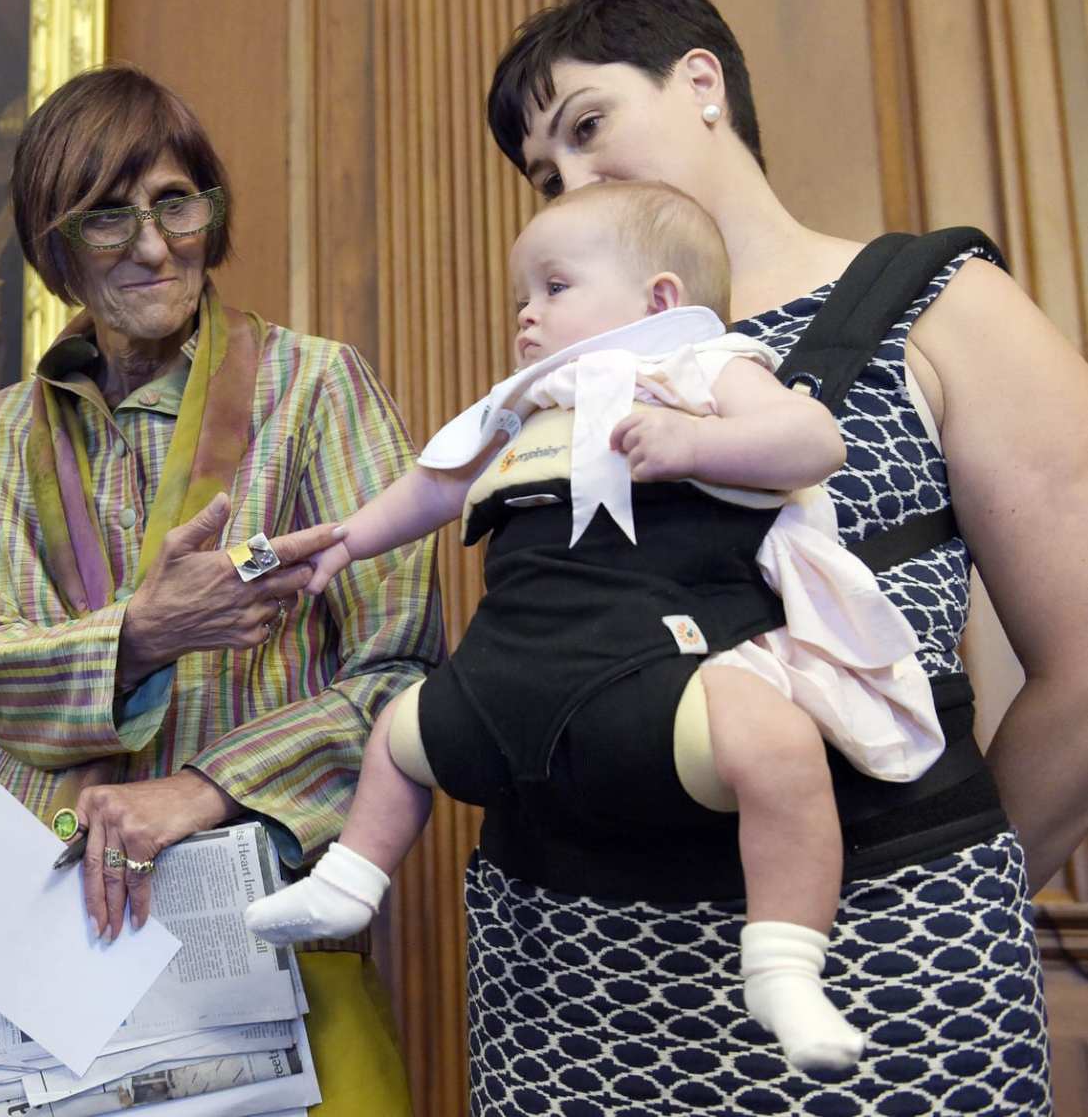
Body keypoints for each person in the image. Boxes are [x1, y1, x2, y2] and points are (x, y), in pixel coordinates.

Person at [415, 0, 1079, 1114]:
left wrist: (947, 878)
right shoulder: (570, 370)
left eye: (588, 124)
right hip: (567, 976)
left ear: (701, 80)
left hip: (884, 966)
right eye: (543, 170)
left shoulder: (939, 300)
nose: (569, 177)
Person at [246, 179, 945, 1073]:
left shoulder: (699, 368)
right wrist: (346, 539)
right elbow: (435, 485)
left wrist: (696, 444)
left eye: (554, 287)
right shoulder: (525, 404)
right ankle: (349, 882)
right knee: (400, 728)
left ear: (658, 299)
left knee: (774, 742)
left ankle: (782, 962)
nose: (526, 318)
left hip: (649, 671)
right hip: (503, 680)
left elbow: (813, 444)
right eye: (521, 299)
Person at [0, 65, 446, 1117]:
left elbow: (401, 668)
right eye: (106, 218)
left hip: (254, 925)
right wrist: (138, 635)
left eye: (175, 202)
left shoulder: (318, 388)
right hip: (28, 940)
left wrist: (200, 788)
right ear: (53, 244)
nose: (151, 246)